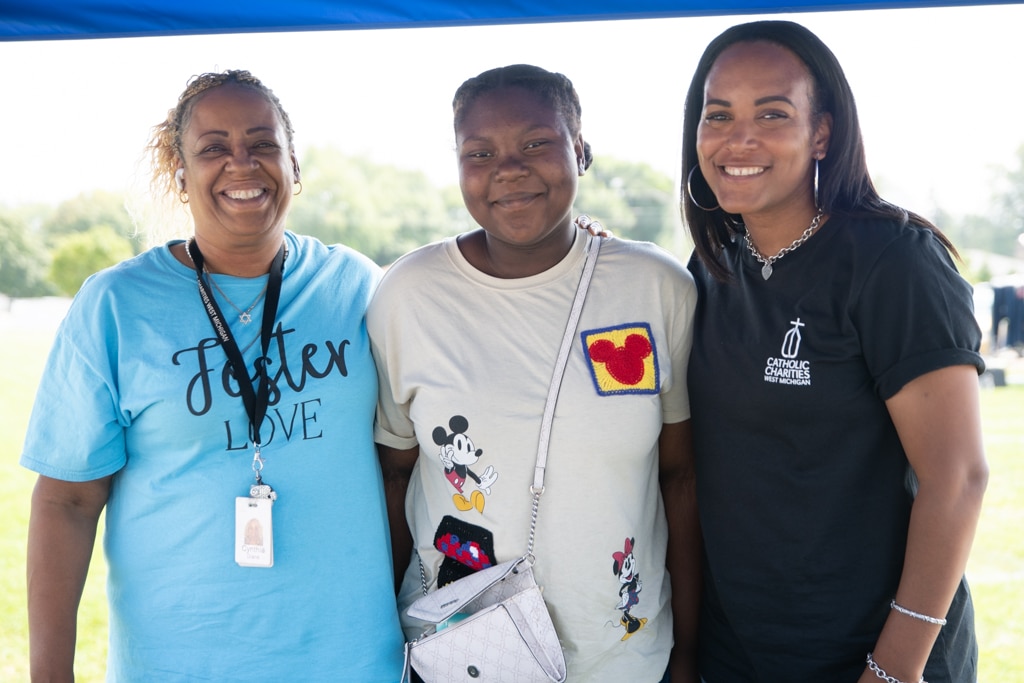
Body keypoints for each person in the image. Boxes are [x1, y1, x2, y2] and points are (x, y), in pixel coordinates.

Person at [21, 70, 405, 681]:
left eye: (262, 143)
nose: (241, 164)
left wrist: (575, 246)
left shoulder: (356, 286)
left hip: (351, 660)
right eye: (213, 148)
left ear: (294, 165)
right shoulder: (116, 305)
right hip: (176, 662)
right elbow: (66, 500)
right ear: (181, 172)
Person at [368, 64, 701, 682]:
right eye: (480, 151)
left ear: (581, 150)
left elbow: (679, 478)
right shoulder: (407, 295)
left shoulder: (655, 289)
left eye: (535, 143)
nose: (509, 168)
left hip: (625, 658)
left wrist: (685, 653)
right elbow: (393, 477)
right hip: (463, 656)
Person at [681, 20, 988, 683]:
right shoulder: (710, 269)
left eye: (773, 112)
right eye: (719, 114)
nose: (741, 137)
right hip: (740, 655)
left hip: (872, 657)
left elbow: (957, 479)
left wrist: (892, 668)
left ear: (822, 132)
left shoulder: (895, 262)